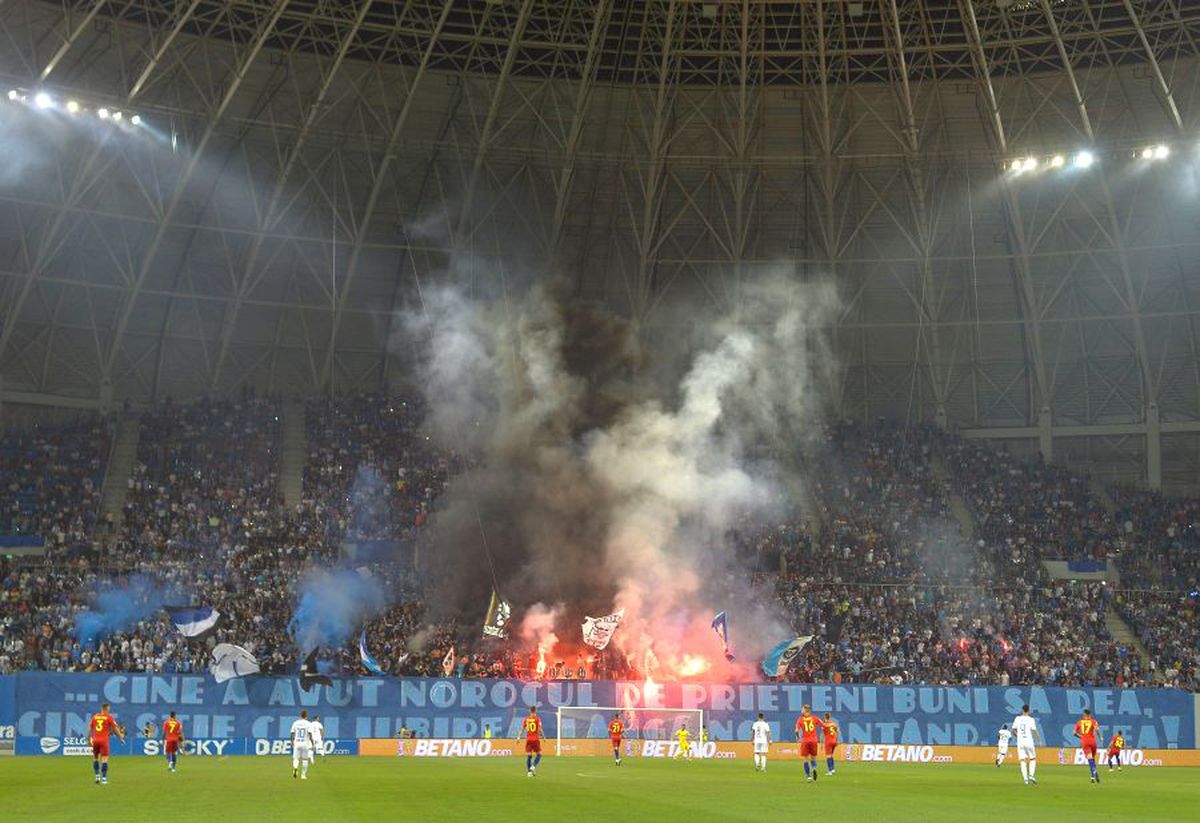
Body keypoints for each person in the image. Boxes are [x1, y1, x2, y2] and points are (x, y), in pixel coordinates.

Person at [88, 702, 125, 785]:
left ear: (101, 708)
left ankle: (97, 777)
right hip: (104, 741)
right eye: (109, 708)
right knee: (104, 760)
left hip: (95, 740)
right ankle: (104, 779)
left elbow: (90, 728)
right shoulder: (109, 717)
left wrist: (88, 739)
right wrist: (121, 738)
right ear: (107, 708)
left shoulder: (95, 717)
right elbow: (115, 729)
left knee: (95, 758)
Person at [795, 704, 828, 783]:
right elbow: (824, 725)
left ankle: (809, 777)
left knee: (805, 759)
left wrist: (798, 737)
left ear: (805, 710)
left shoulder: (800, 719)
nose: (801, 710)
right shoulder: (815, 718)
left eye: (802, 709)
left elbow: (796, 730)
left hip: (805, 740)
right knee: (813, 758)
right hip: (814, 740)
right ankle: (814, 768)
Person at [1011, 704, 1042, 786]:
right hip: (1029, 741)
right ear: (1028, 710)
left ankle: (1025, 780)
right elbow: (1035, 731)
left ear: (1022, 710)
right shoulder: (1031, 719)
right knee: (1033, 758)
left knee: (1022, 760)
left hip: (1020, 742)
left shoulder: (1017, 718)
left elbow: (1013, 731)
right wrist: (1039, 740)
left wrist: (1018, 736)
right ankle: (1031, 775)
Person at [1073, 708, 1103, 784]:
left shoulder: (1079, 722)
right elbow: (1097, 729)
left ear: (1084, 715)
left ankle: (1094, 771)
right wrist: (1100, 737)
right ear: (1090, 715)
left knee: (1090, 759)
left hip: (1084, 741)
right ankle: (1092, 776)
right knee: (1092, 759)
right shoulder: (1093, 721)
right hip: (1092, 741)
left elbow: (1074, 733)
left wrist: (1080, 736)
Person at [291, 709, 314, 780]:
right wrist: (312, 743)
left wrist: (292, 741)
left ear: (300, 715)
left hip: (297, 743)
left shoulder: (295, 723)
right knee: (305, 759)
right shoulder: (308, 723)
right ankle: (303, 775)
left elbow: (292, 733)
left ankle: (295, 768)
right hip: (305, 744)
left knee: (296, 758)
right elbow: (310, 734)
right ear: (306, 716)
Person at [520, 706, 543, 777]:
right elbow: (539, 729)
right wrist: (543, 736)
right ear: (535, 711)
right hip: (535, 739)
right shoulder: (537, 719)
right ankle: (533, 767)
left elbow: (522, 729)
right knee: (539, 754)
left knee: (529, 756)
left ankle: (529, 773)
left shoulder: (526, 719)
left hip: (528, 739)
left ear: (530, 711)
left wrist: (518, 737)